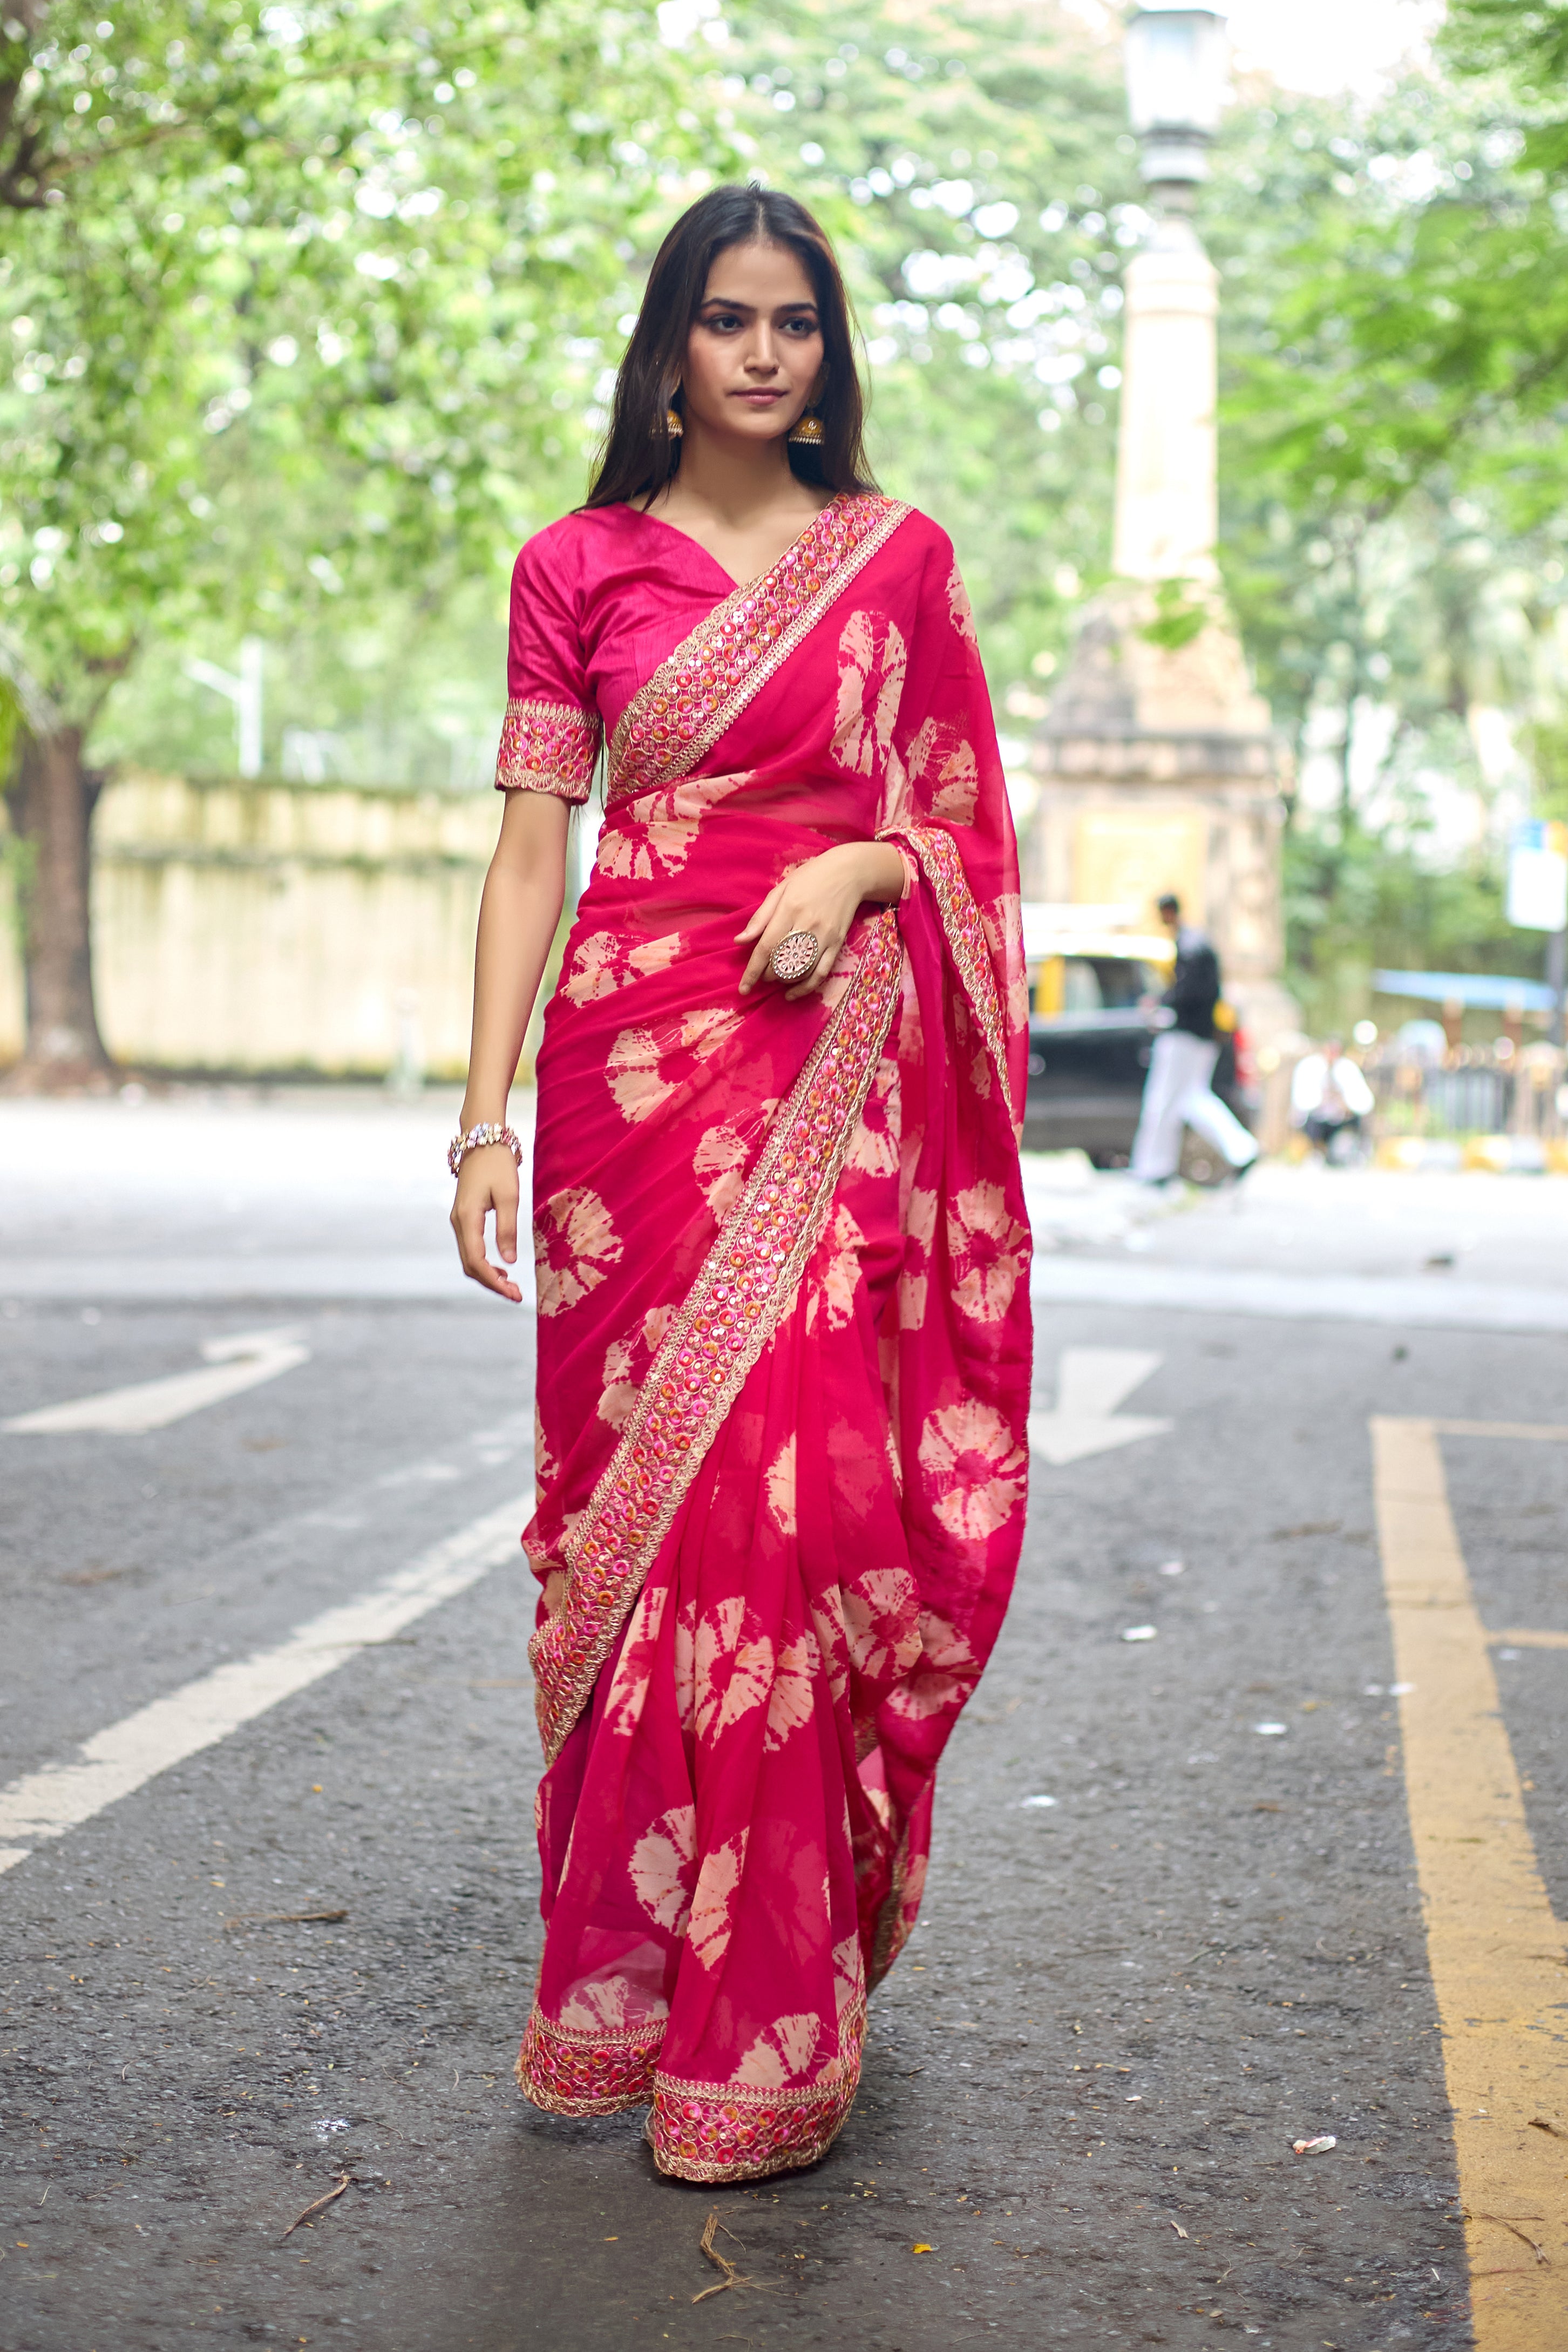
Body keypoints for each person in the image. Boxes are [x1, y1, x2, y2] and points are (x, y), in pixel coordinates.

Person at [447, 186, 1031, 2186]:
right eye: (727, 319)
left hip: (829, 1064)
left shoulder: (896, 560)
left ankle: (771, 2011)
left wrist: (863, 866)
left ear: (826, 350)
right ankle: (624, 1997)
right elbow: (532, 848)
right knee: (634, 1520)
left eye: (795, 322)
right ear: (670, 346)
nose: (765, 354)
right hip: (626, 1079)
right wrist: (480, 1119)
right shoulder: (574, 565)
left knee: (793, 1502)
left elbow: (958, 826)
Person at [1129, 892, 1259, 1185]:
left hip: (1186, 1037)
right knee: (1192, 1098)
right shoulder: (1196, 942)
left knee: (1164, 1101)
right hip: (1202, 1037)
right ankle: (1241, 1148)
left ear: (1167, 912)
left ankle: (1153, 1168)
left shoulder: (1190, 946)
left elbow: (1188, 992)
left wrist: (1161, 1002)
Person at [1291, 1038, 1374, 1160]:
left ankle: (1355, 1153)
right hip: (1317, 1118)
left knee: (1358, 1121)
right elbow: (1301, 1101)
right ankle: (1316, 1151)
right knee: (1312, 1122)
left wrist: (1347, 1105)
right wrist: (1321, 1101)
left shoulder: (1348, 1068)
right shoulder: (1309, 1067)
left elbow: (1365, 1102)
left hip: (1341, 1119)